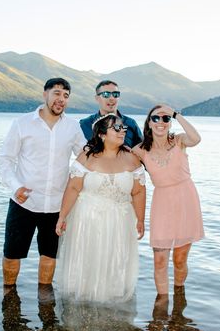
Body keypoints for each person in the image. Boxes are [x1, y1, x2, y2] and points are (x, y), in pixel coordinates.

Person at [0, 78, 86, 290]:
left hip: (57, 205)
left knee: (49, 255)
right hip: (24, 201)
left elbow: (86, 156)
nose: (61, 99)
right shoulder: (22, 124)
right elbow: (5, 159)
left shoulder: (73, 127)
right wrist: (15, 186)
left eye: (65, 96)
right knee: (12, 254)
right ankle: (9, 295)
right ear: (44, 94)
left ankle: (44, 301)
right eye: (56, 93)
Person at [55, 113, 146, 302]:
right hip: (87, 218)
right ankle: (83, 304)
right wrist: (62, 217)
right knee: (88, 257)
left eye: (124, 128)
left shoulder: (132, 159)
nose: (123, 131)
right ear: (102, 134)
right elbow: (73, 188)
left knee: (115, 258)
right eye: (117, 128)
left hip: (120, 220)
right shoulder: (87, 157)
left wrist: (141, 219)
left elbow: (138, 192)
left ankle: (111, 307)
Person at [132, 105, 204, 296]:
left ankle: (179, 298)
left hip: (186, 200)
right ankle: (162, 306)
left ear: (170, 122)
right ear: (149, 123)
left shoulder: (179, 140)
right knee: (160, 260)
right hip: (162, 202)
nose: (161, 122)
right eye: (156, 118)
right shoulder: (140, 150)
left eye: (165, 119)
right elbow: (125, 168)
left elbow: (196, 138)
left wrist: (176, 114)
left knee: (180, 259)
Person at [79, 80, 143, 149]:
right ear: (97, 98)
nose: (112, 98)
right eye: (106, 95)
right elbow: (79, 151)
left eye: (115, 94)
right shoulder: (84, 124)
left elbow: (142, 150)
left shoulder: (131, 123)